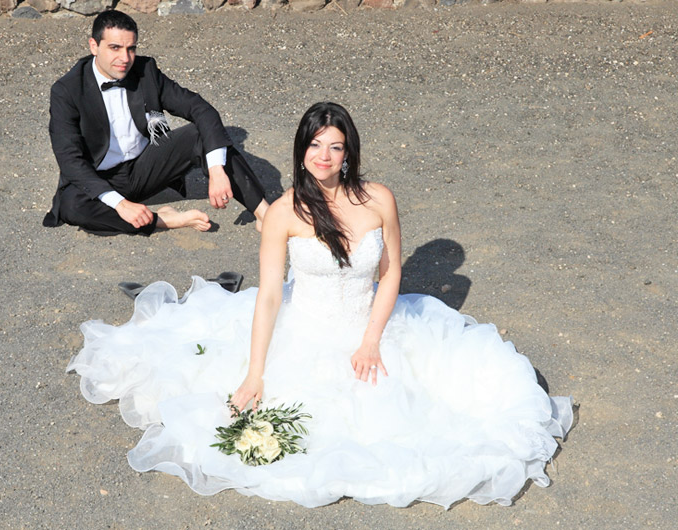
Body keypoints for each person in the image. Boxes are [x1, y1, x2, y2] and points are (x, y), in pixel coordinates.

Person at [66, 102, 573, 508]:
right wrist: (254, 373)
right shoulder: (284, 212)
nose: (325, 157)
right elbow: (267, 295)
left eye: (336, 147)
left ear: (350, 152)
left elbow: (392, 270)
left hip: (371, 326)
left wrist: (371, 340)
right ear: (301, 151)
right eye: (315, 146)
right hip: (302, 327)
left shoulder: (379, 200)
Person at [44, 10, 269, 235]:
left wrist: (217, 169)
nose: (125, 58)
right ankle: (164, 220)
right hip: (99, 177)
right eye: (115, 48)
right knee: (71, 207)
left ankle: (265, 213)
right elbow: (70, 160)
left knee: (205, 136)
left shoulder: (145, 71)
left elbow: (200, 109)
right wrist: (120, 204)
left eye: (131, 48)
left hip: (145, 166)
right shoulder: (67, 90)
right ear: (94, 46)